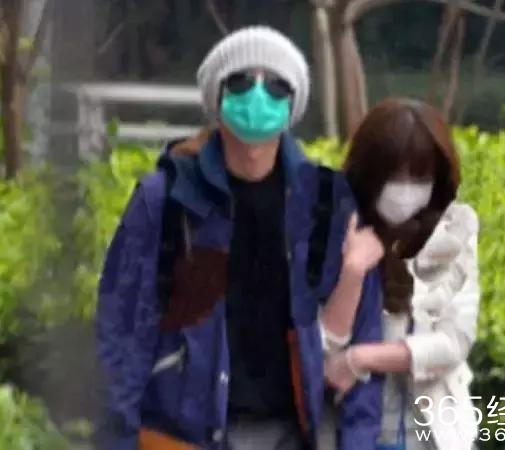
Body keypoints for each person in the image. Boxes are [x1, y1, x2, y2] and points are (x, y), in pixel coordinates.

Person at [95, 26, 383, 450]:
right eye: (242, 82)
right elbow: (121, 334)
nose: (258, 96)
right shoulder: (166, 198)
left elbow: (365, 331)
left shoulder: (327, 201)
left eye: (277, 85)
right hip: (185, 436)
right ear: (217, 97)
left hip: (294, 433)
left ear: (293, 103)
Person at [319, 98, 481, 450]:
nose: (405, 190)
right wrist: (353, 271)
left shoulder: (455, 230)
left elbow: (454, 341)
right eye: (393, 176)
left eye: (419, 177)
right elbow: (321, 346)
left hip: (432, 433)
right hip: (349, 432)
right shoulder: (335, 226)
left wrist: (361, 359)